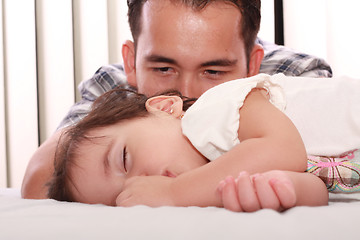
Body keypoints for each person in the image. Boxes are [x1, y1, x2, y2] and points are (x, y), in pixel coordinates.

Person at [22, 0, 332, 200]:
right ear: (130, 62)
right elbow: (40, 182)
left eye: (212, 70)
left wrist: (176, 192)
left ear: (253, 65)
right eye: (163, 68)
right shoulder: (111, 88)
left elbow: (321, 175)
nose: (186, 92)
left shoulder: (294, 74)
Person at [47, 73, 333, 211]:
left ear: (164, 108)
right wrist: (279, 189)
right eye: (123, 198)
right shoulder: (217, 173)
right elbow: (321, 186)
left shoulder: (212, 110)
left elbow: (284, 150)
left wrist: (174, 191)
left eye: (124, 158)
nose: (142, 186)